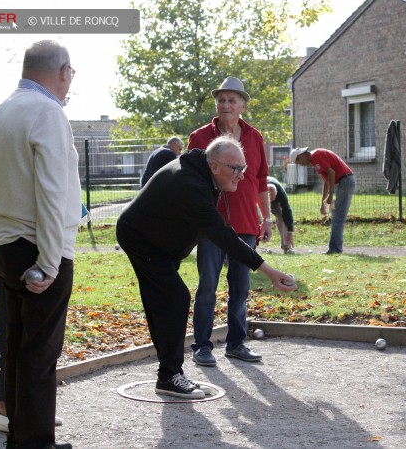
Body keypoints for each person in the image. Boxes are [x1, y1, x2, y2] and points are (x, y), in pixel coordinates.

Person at [116, 136, 295, 399]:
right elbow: (222, 234)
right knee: (175, 298)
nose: (241, 176)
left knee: (163, 302)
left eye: (243, 169)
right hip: (143, 240)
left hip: (157, 240)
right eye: (236, 169)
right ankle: (169, 375)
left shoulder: (201, 169)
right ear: (214, 166)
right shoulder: (190, 184)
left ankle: (167, 372)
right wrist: (268, 271)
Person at [0, 39, 80, 449]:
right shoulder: (47, 112)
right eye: (70, 74)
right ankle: (36, 443)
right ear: (61, 71)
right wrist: (51, 261)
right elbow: (53, 192)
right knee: (40, 354)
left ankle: (21, 435)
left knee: (20, 345)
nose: (70, 82)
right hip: (39, 247)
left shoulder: (1, 112)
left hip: (8, 245)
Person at [188, 76, 273, 367]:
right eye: (221, 99)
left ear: (242, 105)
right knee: (207, 286)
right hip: (211, 226)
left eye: (232, 100)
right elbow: (191, 180)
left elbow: (261, 181)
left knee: (241, 287)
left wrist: (268, 218)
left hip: (247, 223)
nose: (226, 104)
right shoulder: (199, 137)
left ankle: (236, 344)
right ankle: (202, 346)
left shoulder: (255, 137)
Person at [0, 203, 64, 434]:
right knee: (12, 335)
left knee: (29, 338)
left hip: (37, 253)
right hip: (20, 253)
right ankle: (5, 408)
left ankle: (25, 412)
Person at [290, 147, 356, 254]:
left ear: (301, 155)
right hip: (343, 182)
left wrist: (330, 195)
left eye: (298, 162)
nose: (300, 165)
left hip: (345, 181)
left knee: (338, 216)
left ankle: (335, 249)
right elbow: (326, 181)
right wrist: (323, 204)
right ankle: (335, 248)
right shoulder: (314, 159)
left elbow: (331, 173)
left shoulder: (316, 156)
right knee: (336, 216)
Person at [267, 176, 294, 254]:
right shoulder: (259, 187)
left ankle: (286, 245)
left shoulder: (281, 193)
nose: (270, 201)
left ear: (276, 193)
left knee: (282, 218)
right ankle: (252, 243)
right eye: (269, 198)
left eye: (272, 198)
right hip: (260, 200)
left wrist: (290, 231)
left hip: (277, 205)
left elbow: (287, 211)